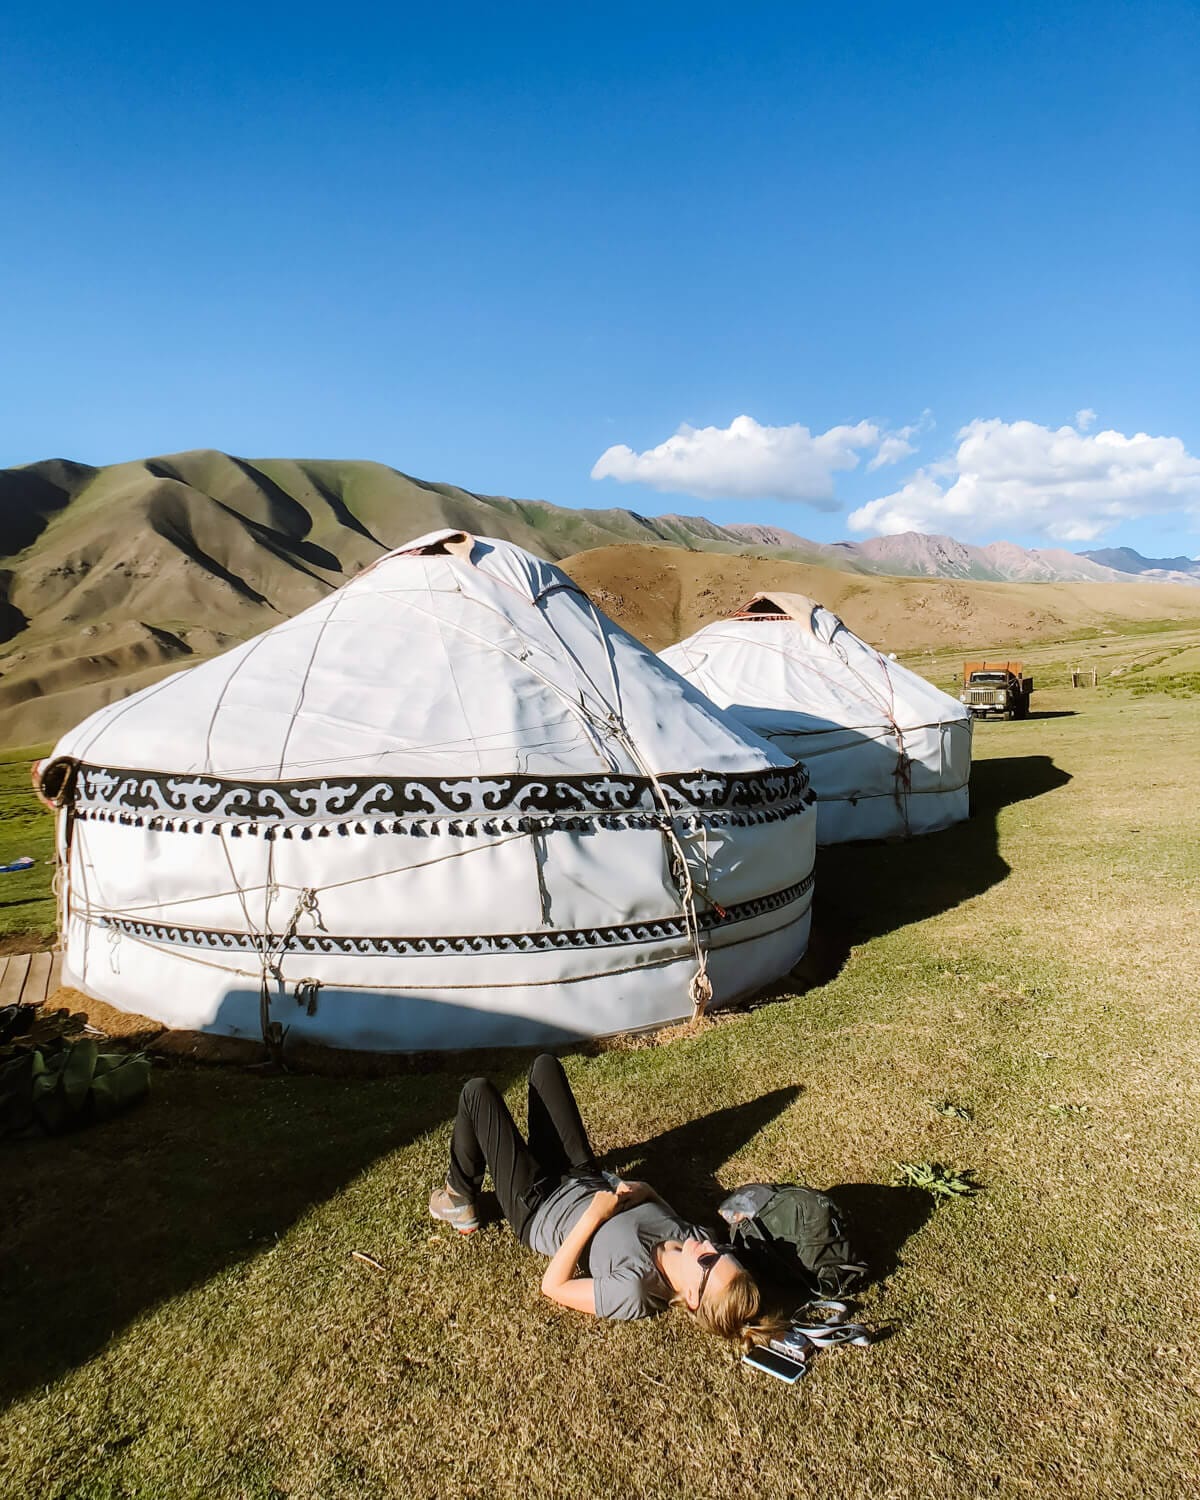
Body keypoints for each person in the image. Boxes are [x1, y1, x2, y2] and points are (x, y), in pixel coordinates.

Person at [429, 1054, 783, 1347]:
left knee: (478, 1093)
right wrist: (648, 1191)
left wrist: (594, 1216)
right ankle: (533, 1157)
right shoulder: (696, 1237)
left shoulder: (635, 1290)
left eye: (710, 1259)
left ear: (692, 1295)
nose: (710, 1245)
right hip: (582, 1176)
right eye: (724, 1252)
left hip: (539, 1207)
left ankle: (460, 1198)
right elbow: (668, 1215)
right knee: (544, 1067)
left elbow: (553, 1286)